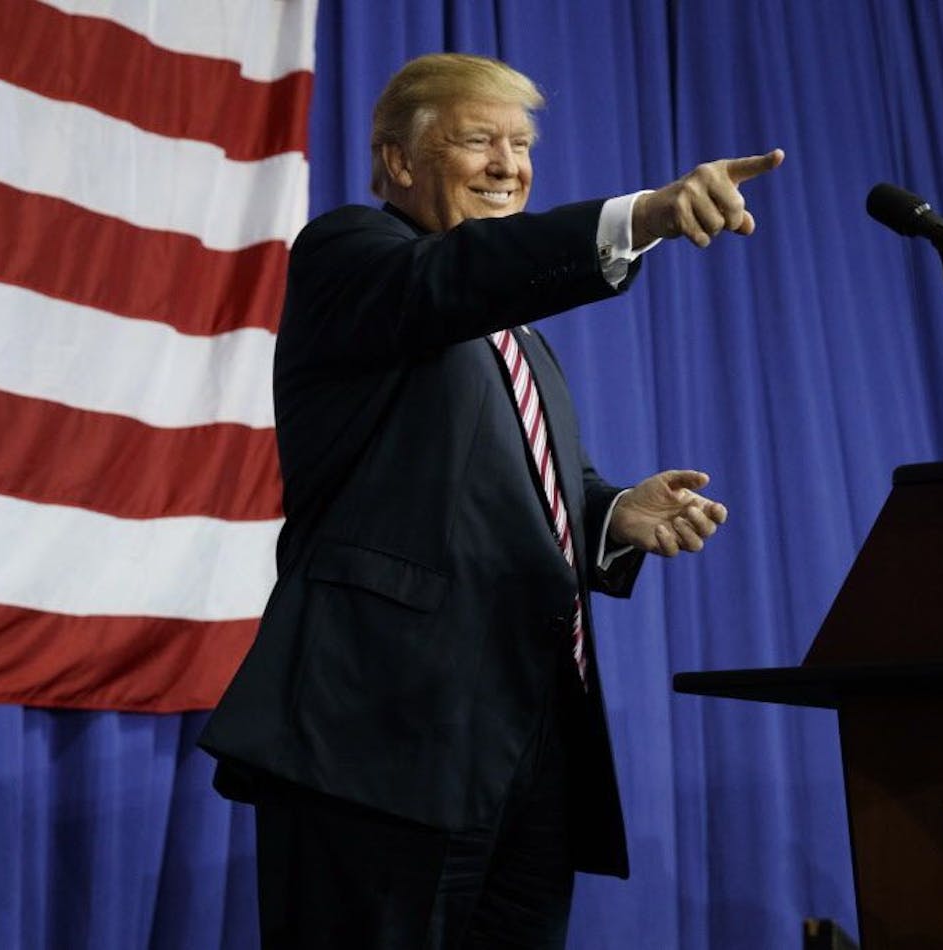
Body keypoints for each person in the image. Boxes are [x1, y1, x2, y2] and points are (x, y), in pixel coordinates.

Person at [199, 53, 782, 948]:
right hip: (379, 735)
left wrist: (613, 513)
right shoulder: (354, 256)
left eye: (520, 143)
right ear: (400, 161)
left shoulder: (520, 342)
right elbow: (459, 277)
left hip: (524, 745)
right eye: (480, 141)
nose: (511, 164)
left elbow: (502, 494)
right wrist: (648, 215)